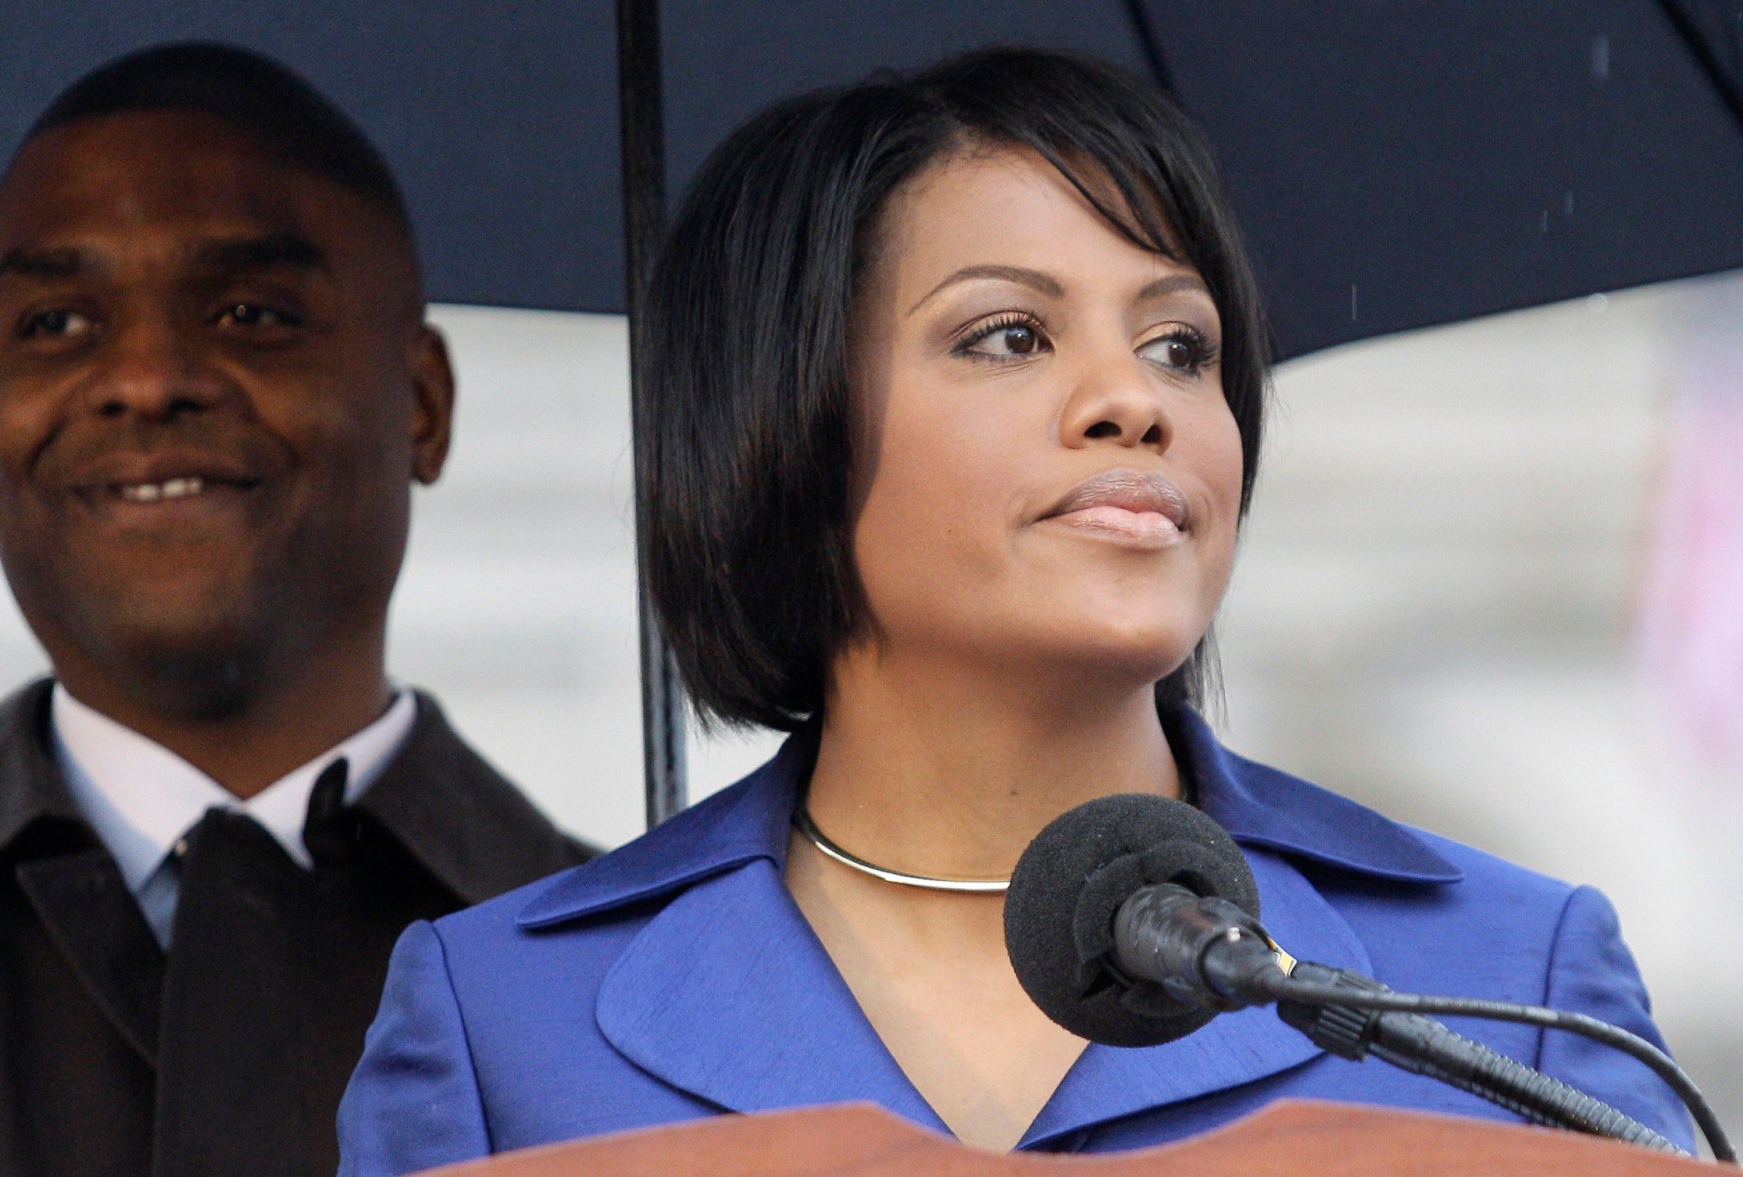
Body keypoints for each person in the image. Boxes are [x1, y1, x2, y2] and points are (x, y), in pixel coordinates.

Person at [336, 46, 1694, 1173]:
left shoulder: (1506, 980)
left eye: (1182, 343)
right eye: (1010, 335)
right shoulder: (503, 1023)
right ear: (784, 421)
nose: (1136, 400)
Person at [0, 42, 590, 1177]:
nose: (144, 377)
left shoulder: (639, 977)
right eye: (54, 325)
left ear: (423, 403)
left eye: (247, 311)